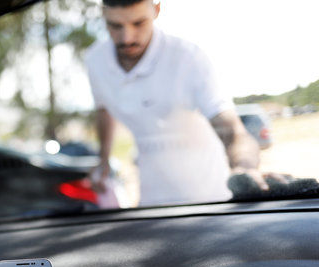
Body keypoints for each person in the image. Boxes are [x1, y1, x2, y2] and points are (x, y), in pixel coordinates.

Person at [85, 0, 270, 206]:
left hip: (212, 198)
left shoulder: (188, 58)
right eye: (115, 26)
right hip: (151, 199)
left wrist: (244, 168)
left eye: (138, 23)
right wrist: (103, 161)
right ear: (103, 15)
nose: (127, 38)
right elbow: (103, 110)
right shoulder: (95, 61)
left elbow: (231, 128)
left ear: (156, 10)